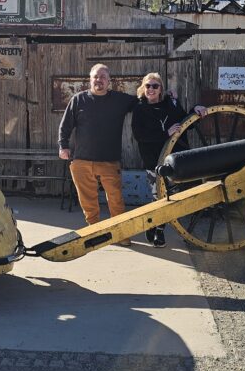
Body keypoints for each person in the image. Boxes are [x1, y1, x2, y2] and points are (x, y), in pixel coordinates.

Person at [58, 64, 138, 241]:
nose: (99, 80)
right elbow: (65, 126)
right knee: (88, 200)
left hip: (109, 160)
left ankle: (120, 234)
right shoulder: (79, 99)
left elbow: (143, 101)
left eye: (102, 77)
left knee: (116, 199)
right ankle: (94, 232)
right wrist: (63, 146)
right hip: (82, 160)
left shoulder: (120, 100)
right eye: (95, 76)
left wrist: (167, 96)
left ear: (109, 81)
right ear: (90, 79)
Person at [131, 72, 207, 246]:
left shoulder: (171, 104)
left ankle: (156, 228)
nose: (151, 89)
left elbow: (185, 122)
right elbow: (140, 135)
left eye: (155, 86)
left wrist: (195, 109)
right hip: (153, 160)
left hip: (173, 158)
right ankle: (156, 228)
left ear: (161, 89)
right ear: (143, 88)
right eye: (148, 86)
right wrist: (165, 134)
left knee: (169, 195)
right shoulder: (139, 109)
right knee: (157, 195)